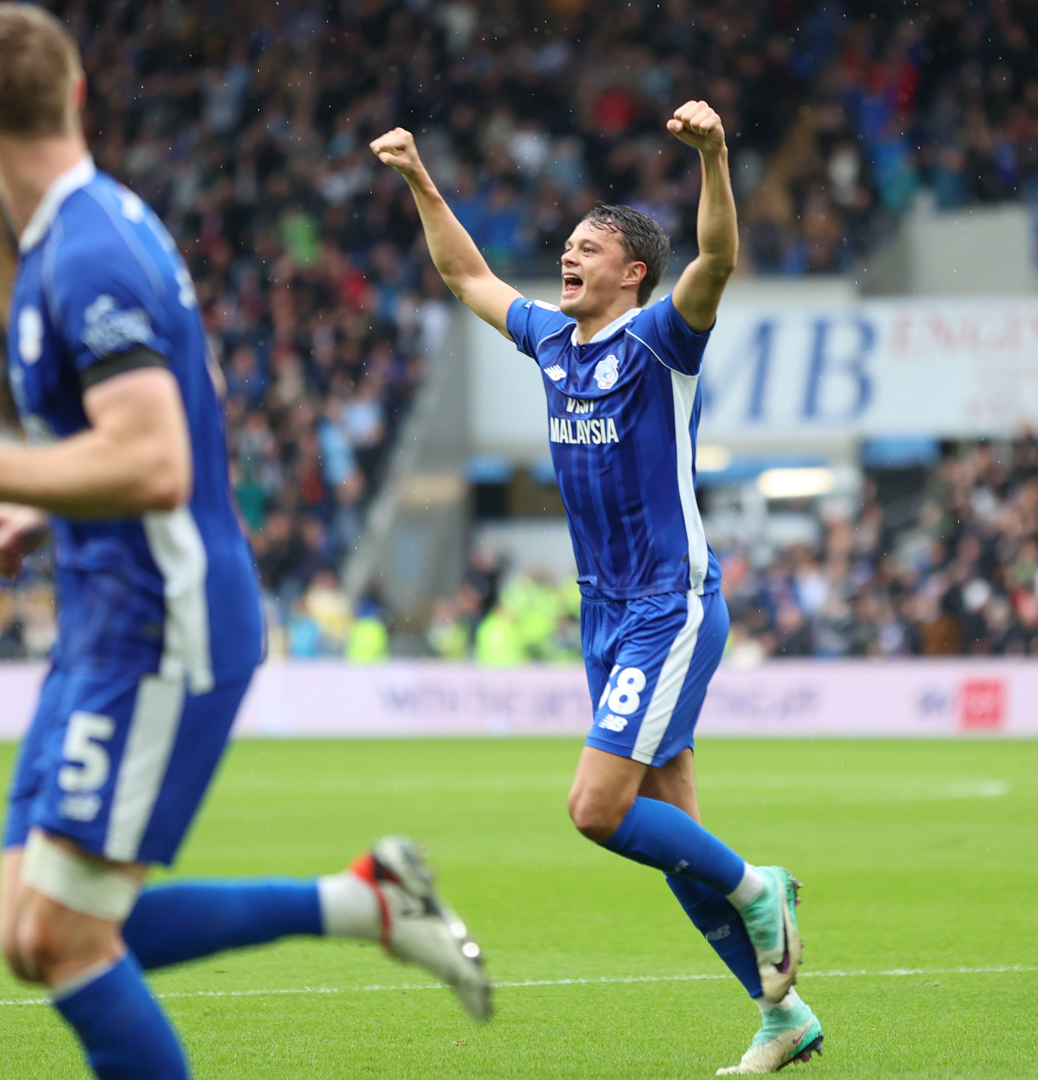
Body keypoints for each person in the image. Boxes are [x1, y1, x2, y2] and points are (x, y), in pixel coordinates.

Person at [0, 7, 488, 1078]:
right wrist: (38, 503)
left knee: (66, 938)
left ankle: (363, 904)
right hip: (106, 617)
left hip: (163, 622)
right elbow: (151, 434)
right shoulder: (85, 235)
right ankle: (364, 902)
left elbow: (157, 463)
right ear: (77, 96)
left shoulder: (88, 250)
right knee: (32, 934)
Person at [373, 101, 823, 1075]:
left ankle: (762, 886)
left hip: (671, 604)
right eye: (567, 247)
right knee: (673, 833)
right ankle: (779, 1014)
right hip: (606, 614)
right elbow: (465, 274)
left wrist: (712, 159)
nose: (568, 259)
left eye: (590, 249)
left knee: (595, 808)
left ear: (634, 275)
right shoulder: (549, 342)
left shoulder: (663, 340)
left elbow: (718, 262)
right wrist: (421, 178)